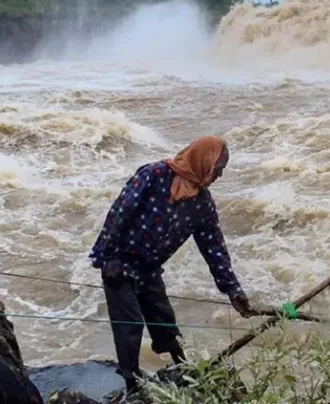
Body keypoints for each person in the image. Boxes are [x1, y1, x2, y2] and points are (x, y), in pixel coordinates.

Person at [89, 136, 253, 391]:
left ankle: (184, 368)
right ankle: (132, 384)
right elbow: (120, 212)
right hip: (119, 262)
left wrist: (233, 290)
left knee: (164, 321)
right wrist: (109, 256)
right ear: (203, 160)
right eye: (218, 169)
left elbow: (214, 249)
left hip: (149, 269)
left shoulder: (202, 204)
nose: (219, 175)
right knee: (130, 324)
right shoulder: (155, 174)